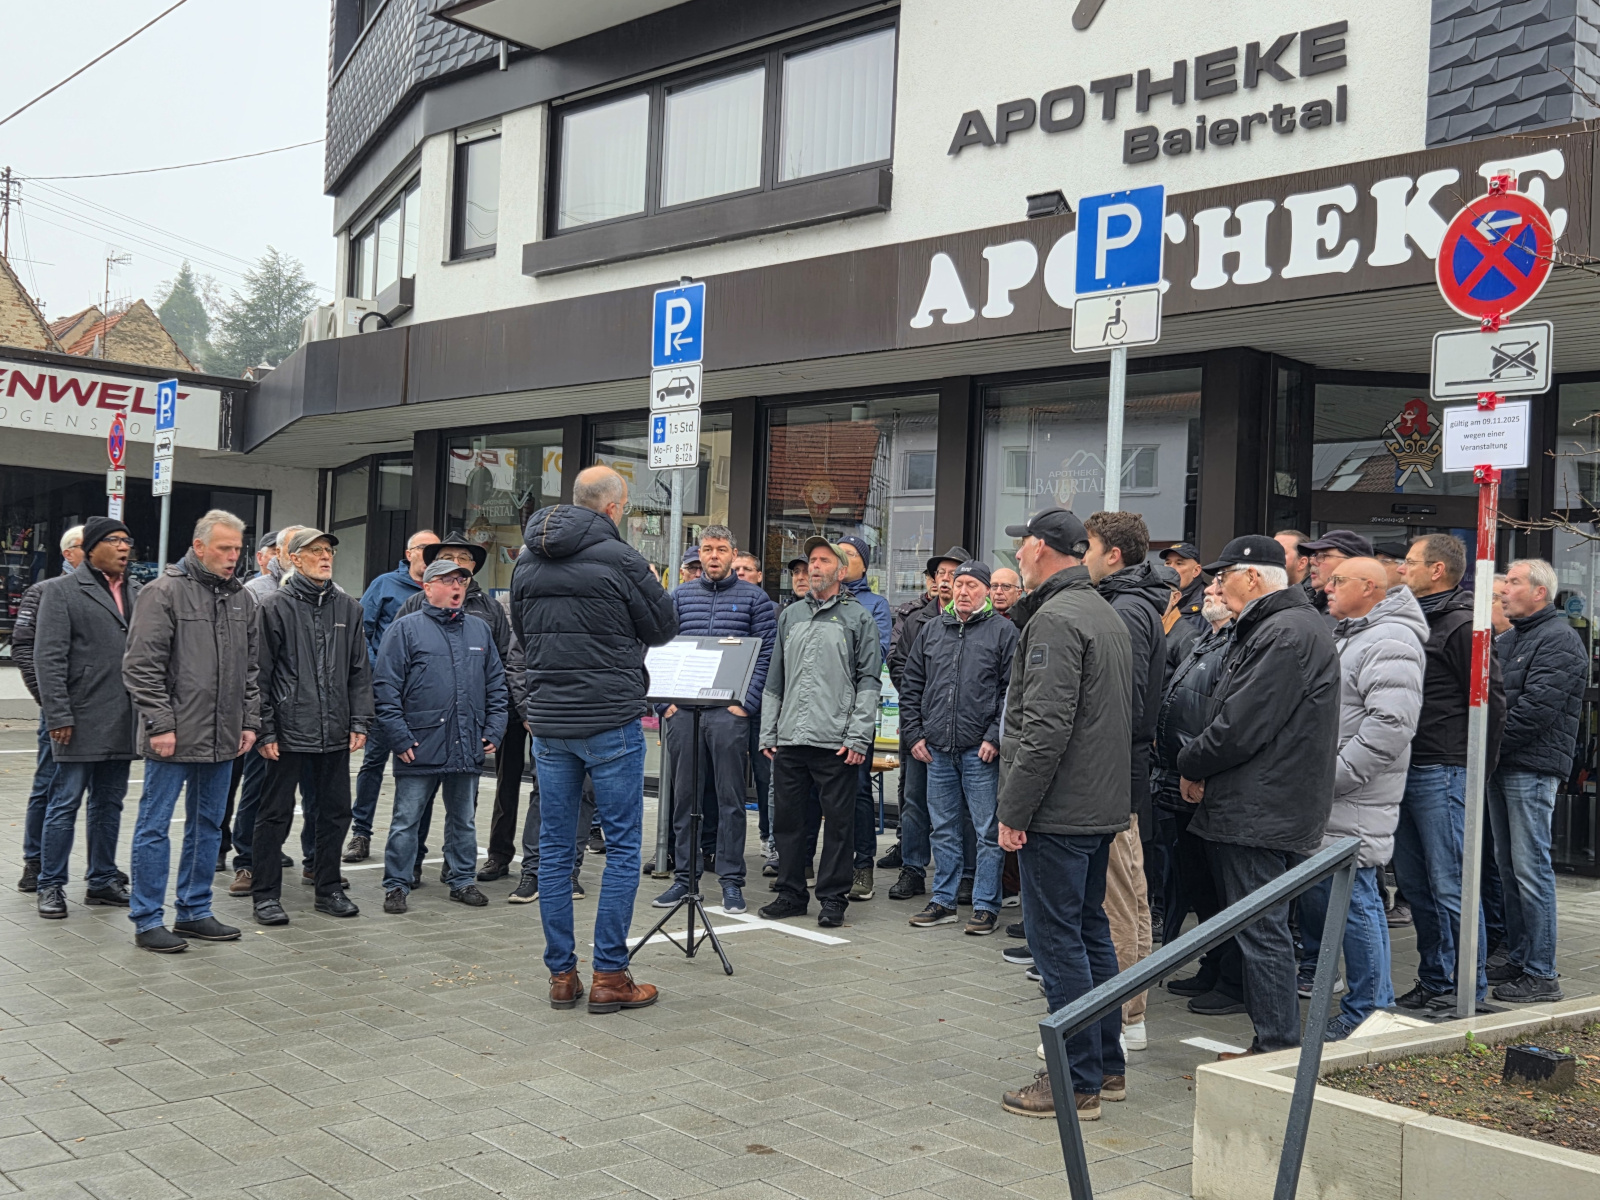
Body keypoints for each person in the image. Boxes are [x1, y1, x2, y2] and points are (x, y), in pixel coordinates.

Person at [512, 465, 677, 1014]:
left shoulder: (526, 560)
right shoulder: (622, 558)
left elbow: (524, 634)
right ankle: (610, 974)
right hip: (610, 720)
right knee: (624, 847)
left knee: (558, 850)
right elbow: (663, 627)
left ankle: (561, 976)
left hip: (552, 723)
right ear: (612, 508)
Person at [1175, 535, 1339, 1059]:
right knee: (1262, 927)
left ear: (1253, 577)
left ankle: (1275, 1049)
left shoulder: (1284, 633)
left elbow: (1239, 727)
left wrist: (1189, 761)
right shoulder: (1283, 627)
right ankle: (1273, 1043)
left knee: (1262, 930)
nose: (1216, 585)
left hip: (1261, 808)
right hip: (1263, 802)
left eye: (1223, 576)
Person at [993, 507, 1130, 1123]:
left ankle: (1075, 1082)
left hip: (1059, 810)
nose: (1017, 557)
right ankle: (1106, 1064)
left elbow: (1045, 728)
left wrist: (1014, 810)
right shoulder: (1102, 610)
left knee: (1058, 946)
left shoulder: (1055, 618)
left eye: (1021, 547)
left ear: (1041, 549)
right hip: (1096, 805)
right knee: (1090, 933)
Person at [122, 510, 260, 954]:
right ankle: (146, 919)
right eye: (224, 548)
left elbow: (252, 671)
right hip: (174, 736)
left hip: (223, 737)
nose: (232, 557)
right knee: (154, 826)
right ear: (199, 547)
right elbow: (142, 668)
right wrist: (159, 724)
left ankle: (195, 911)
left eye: (237, 549)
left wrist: (250, 722)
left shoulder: (242, 599)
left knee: (206, 825)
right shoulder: (162, 592)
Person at [1300, 558, 1425, 1040]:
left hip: (1354, 796)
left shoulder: (1389, 640)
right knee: (1344, 900)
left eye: (1338, 581)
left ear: (1369, 588)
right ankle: (1365, 1005)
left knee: (1356, 899)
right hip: (1335, 796)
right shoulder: (1353, 633)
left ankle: (1370, 1010)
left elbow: (1390, 724)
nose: (1326, 588)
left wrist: (1334, 775)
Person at [1393, 534, 1505, 1011]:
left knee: (1451, 884)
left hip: (1444, 770)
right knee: (1418, 887)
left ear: (1437, 570)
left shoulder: (1461, 625)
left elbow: (1490, 700)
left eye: (1410, 562)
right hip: (1409, 766)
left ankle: (1467, 988)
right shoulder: (1413, 619)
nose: (1401, 569)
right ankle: (1436, 979)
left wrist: (1476, 765)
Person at [652, 525, 776, 917]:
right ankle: (684, 878)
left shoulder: (755, 599)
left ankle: (731, 882)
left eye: (721, 549)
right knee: (684, 798)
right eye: (707, 549)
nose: (714, 556)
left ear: (732, 553)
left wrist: (746, 703)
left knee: (730, 800)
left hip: (728, 713)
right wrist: (663, 704)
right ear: (700, 555)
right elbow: (659, 647)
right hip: (683, 712)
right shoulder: (680, 597)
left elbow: (767, 656)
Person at [1083, 510, 1172, 1053]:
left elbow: (1125, 702)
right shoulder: (1133, 604)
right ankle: (1129, 1015)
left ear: (1113, 555)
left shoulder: (1126, 610)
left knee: (1117, 898)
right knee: (1129, 895)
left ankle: (1116, 1022)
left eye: (1089, 547)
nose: (1083, 557)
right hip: (1124, 772)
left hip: (1115, 774)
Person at [758, 537, 882, 928]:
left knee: (839, 825)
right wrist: (768, 732)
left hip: (836, 741)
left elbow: (869, 682)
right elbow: (774, 679)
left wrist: (859, 736)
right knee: (790, 822)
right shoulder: (790, 615)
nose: (814, 567)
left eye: (823, 561)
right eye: (811, 560)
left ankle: (832, 899)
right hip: (792, 736)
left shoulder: (858, 617)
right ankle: (791, 893)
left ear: (841, 572)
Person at [250, 528, 372, 925]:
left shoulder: (348, 608)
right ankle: (266, 894)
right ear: (294, 559)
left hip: (335, 730)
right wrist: (265, 730)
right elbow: (259, 675)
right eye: (315, 551)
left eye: (329, 551)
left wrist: (359, 720)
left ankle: (328, 887)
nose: (325, 557)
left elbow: (359, 672)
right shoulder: (273, 606)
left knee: (336, 812)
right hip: (288, 731)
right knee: (275, 813)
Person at [374, 558, 508, 914]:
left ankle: (463, 880)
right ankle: (396, 885)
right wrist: (399, 738)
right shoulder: (404, 630)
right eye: (448, 581)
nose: (457, 587)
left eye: (462, 581)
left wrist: (494, 728)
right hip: (418, 747)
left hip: (466, 744)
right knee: (407, 819)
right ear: (427, 587)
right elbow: (385, 689)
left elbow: (497, 684)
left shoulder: (479, 630)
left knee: (463, 818)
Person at [1485, 558, 1586, 1002]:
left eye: (1512, 582)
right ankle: (1520, 958)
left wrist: (1486, 745)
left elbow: (1533, 713)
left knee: (1530, 869)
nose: (1503, 590)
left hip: (1530, 768)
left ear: (1540, 592)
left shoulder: (1559, 640)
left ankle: (1542, 972)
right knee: (1509, 869)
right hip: (1504, 765)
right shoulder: (1513, 639)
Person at [900, 560, 1017, 935]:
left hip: (979, 750)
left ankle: (985, 905)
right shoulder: (933, 630)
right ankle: (943, 900)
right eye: (958, 583)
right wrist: (914, 734)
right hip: (936, 749)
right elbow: (912, 684)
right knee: (943, 828)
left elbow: (1010, 693)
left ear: (986, 591)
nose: (963, 591)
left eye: (971, 585)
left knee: (986, 830)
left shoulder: (1004, 632)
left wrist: (993, 736)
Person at [32, 517, 142, 918]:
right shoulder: (61, 592)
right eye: (115, 540)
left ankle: (101, 879)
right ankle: (50, 884)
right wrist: (58, 712)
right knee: (64, 803)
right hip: (77, 719)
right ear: (92, 547)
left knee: (109, 803)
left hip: (123, 717)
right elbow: (49, 657)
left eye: (128, 541)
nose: (124, 547)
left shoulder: (137, 591)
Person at [1155, 579, 1244, 1015]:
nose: (1210, 591)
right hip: (1180, 774)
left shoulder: (1237, 641)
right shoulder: (1200, 637)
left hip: (1206, 779)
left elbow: (1224, 715)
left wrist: (1198, 767)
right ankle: (1215, 961)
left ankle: (1235, 978)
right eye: (1208, 587)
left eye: (1220, 587)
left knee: (1222, 885)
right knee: (1198, 883)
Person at [346, 529, 439, 862]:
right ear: (410, 552)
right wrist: (381, 671)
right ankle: (361, 833)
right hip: (386, 695)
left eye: (436, 550)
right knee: (373, 763)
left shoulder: (440, 589)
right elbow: (362, 633)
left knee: (418, 769)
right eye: (426, 548)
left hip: (424, 700)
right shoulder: (384, 585)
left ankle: (411, 842)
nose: (431, 554)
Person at [883, 546, 967, 901]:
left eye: (954, 574)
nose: (946, 580)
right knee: (914, 801)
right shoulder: (915, 618)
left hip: (963, 731)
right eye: (941, 574)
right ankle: (913, 869)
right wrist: (920, 715)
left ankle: (963, 875)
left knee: (961, 807)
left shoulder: (980, 620)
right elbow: (901, 668)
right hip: (920, 727)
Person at [12, 523, 83, 893]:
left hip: (97, 709)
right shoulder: (44, 592)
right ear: (69, 553)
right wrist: (48, 701)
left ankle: (100, 872)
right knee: (48, 785)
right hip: (57, 708)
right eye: (88, 546)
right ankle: (34, 860)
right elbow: (23, 648)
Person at [836, 534, 891, 900]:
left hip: (855, 710)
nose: (841, 558)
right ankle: (820, 864)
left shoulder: (876, 605)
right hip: (817, 712)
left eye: (849, 554)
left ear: (864, 565)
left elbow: (878, 654)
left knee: (857, 791)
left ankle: (861, 868)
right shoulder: (816, 599)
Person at [1298, 531, 1374, 626]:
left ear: (1352, 563)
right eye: (1314, 555)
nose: (1312, 561)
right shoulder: (1302, 600)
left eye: (1323, 555)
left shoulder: (1358, 615)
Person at [1159, 543, 1208, 634]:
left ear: (1196, 571)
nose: (1171, 568)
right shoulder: (1155, 598)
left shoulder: (1207, 604)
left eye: (1179, 563)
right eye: (1168, 563)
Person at [243, 530, 283, 601]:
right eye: (275, 553)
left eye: (284, 553)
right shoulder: (245, 587)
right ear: (260, 557)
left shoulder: (295, 586)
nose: (281, 557)